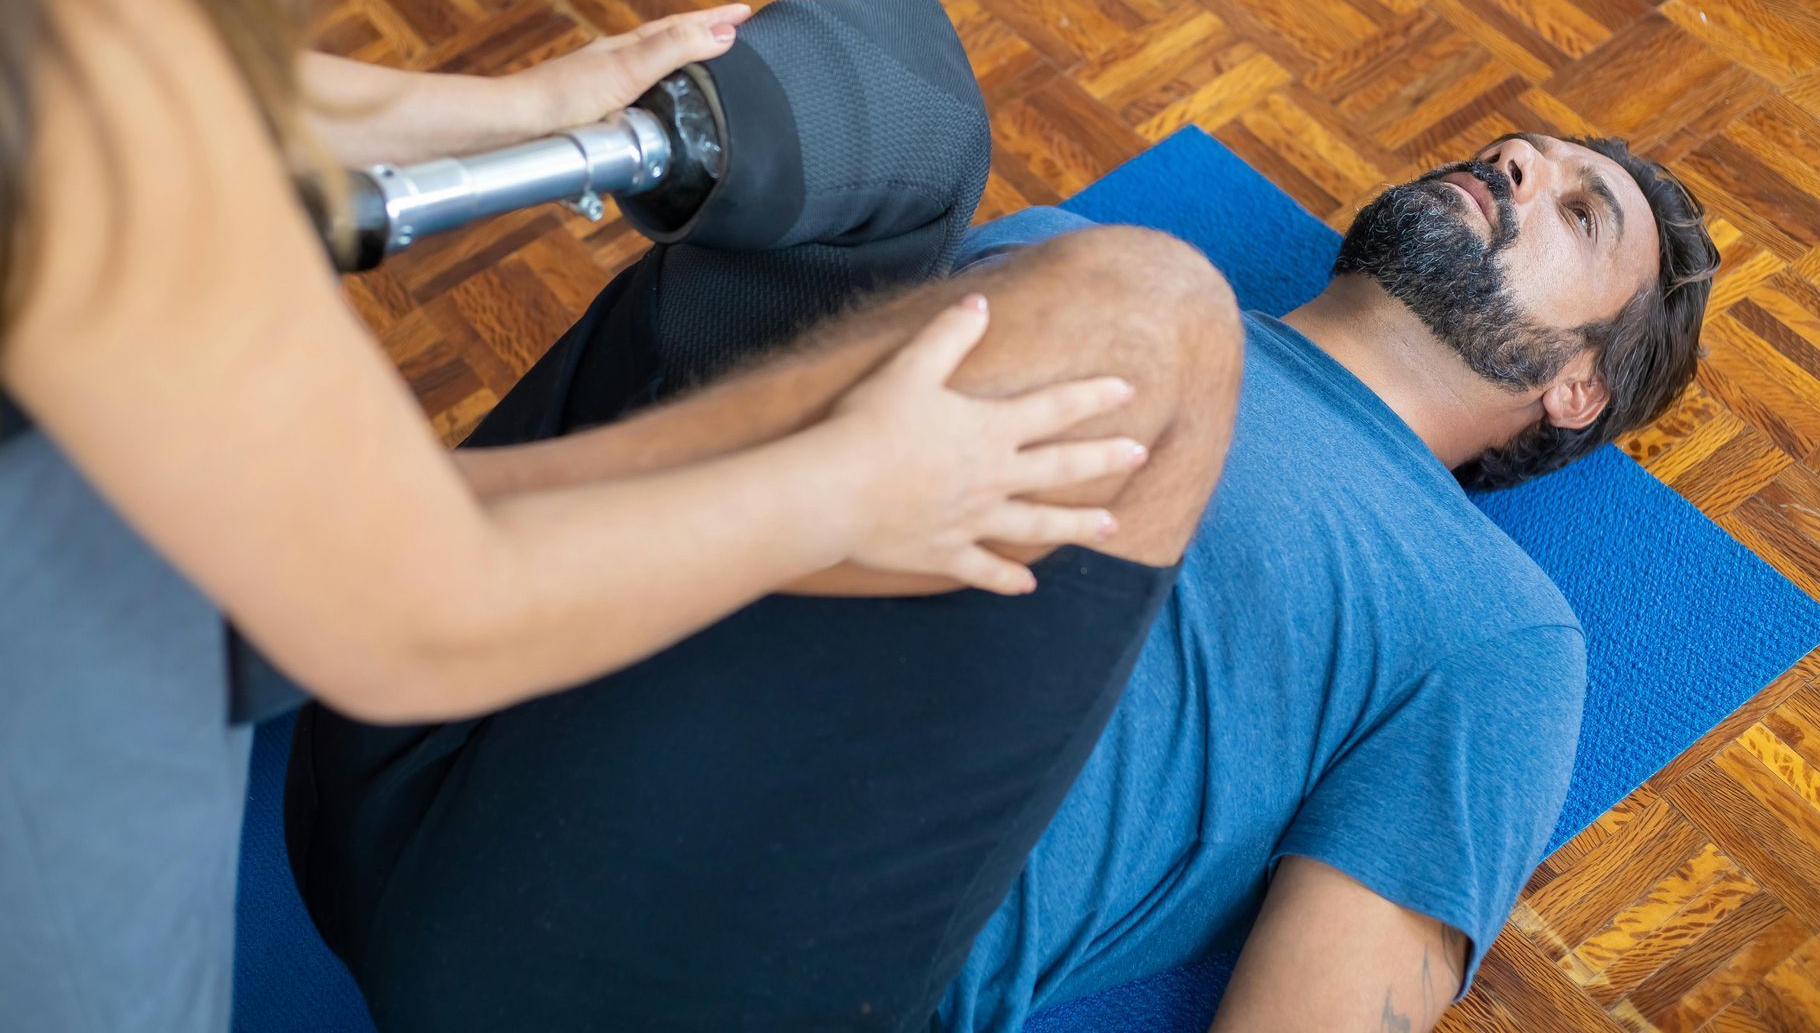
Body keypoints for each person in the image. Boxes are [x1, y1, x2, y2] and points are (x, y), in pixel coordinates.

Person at [0, 0, 1154, 1030]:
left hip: (167, 578)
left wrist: (513, 111)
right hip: (91, 749)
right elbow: (414, 614)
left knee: (888, 106)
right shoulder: (75, 94)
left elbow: (148, 49)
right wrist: (855, 488)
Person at [291, 129, 1719, 1032]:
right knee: (878, 106)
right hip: (456, 763)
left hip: (708, 947)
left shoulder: (1500, 627)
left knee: (1151, 306)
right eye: (1521, 153)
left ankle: (392, 539)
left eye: (1582, 214)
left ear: (1579, 388)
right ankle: (426, 563)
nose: (1522, 172)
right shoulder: (1055, 259)